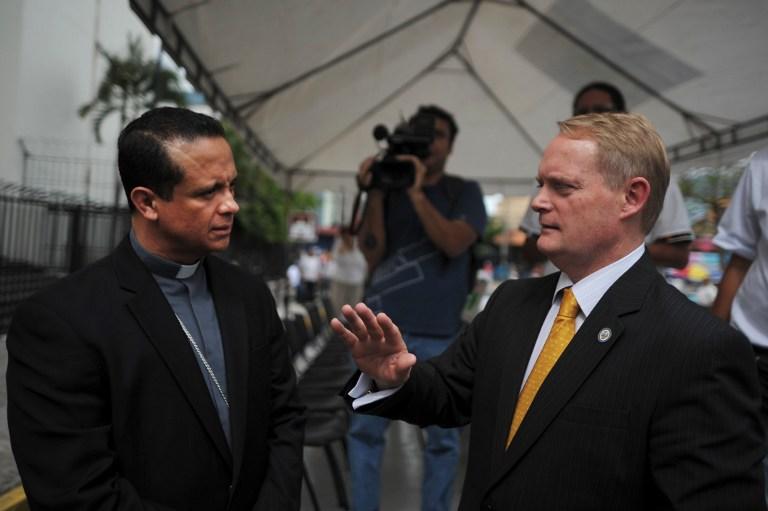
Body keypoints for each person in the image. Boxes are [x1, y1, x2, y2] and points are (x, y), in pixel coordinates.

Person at [332, 113, 765, 510]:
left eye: (562, 187)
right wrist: (396, 377)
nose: (538, 202)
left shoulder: (698, 349)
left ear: (631, 197)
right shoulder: (511, 304)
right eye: (540, 184)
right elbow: (447, 393)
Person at [6, 107, 306, 510]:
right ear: (147, 203)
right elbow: (76, 492)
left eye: (231, 187)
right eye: (208, 192)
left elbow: (285, 417)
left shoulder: (249, 296)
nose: (231, 205)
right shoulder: (60, 321)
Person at [349, 104, 487, 511]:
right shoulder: (387, 187)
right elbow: (372, 253)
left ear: (452, 144)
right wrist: (376, 189)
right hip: (379, 332)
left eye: (438, 134)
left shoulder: (463, 192)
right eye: (421, 133)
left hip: (440, 334)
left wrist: (416, 190)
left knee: (442, 440)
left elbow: (454, 242)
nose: (429, 141)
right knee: (365, 432)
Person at [520, 81, 693, 272]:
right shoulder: (553, 170)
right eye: (582, 112)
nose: (591, 117)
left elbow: (679, 253)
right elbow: (529, 246)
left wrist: (608, 251)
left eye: (563, 186)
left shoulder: (653, 173)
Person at [712, 147, 768, 500]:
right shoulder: (763, 164)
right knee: (733, 480)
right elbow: (740, 257)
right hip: (753, 356)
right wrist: (713, 346)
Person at [327, 227, 367, 316]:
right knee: (337, 305)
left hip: (356, 281)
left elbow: (362, 262)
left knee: (354, 306)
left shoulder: (358, 242)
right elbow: (335, 258)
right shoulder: (339, 243)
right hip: (340, 280)